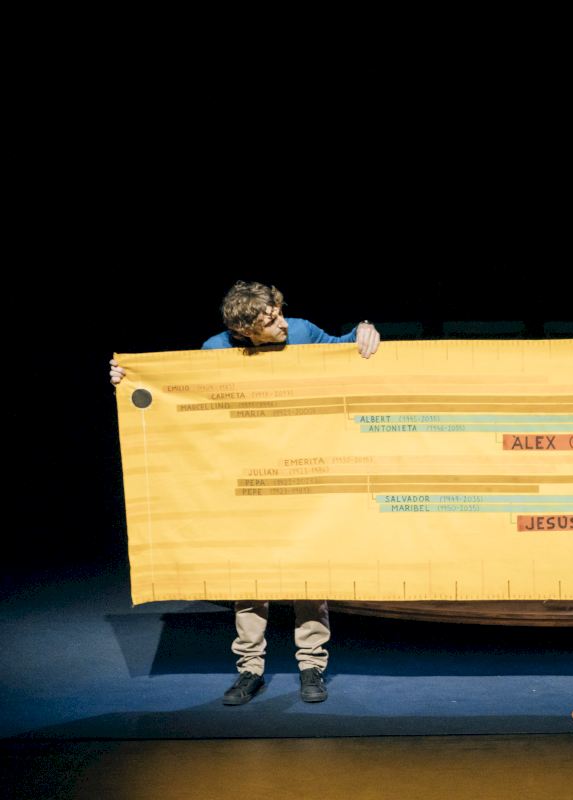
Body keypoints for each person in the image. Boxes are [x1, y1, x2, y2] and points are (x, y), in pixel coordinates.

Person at [110, 281, 381, 705]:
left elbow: (345, 350)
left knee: (309, 571)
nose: (281, 323)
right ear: (244, 332)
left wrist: (364, 331)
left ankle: (311, 665)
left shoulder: (303, 331)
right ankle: (250, 669)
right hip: (246, 477)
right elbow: (179, 395)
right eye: (270, 321)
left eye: (279, 312)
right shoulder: (216, 350)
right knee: (249, 574)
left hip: (301, 471)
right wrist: (129, 382)